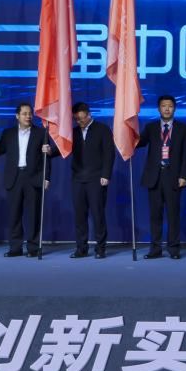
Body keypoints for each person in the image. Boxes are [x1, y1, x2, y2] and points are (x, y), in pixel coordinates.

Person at [0, 103, 52, 258]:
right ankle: (15, 248)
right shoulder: (9, 133)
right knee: (14, 215)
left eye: (30, 113)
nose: (28, 116)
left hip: (33, 177)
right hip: (14, 177)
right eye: (25, 113)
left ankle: (33, 248)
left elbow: (46, 158)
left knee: (33, 215)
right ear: (17, 116)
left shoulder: (41, 133)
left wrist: (46, 177)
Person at [136, 95, 186, 259]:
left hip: (173, 177)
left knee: (173, 215)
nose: (167, 109)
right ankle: (155, 249)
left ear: (174, 108)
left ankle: (173, 249)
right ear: (159, 109)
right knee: (155, 215)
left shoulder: (183, 129)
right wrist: (127, 132)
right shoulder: (151, 127)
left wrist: (184, 176)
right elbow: (139, 143)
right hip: (154, 177)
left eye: (170, 106)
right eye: (163, 106)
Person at [67, 102, 115, 259]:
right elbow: (64, 148)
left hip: (96, 179)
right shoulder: (73, 132)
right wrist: (49, 151)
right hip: (78, 179)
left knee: (97, 214)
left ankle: (100, 249)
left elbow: (109, 153)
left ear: (89, 114)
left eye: (81, 118)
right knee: (79, 216)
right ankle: (81, 249)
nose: (79, 121)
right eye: (76, 119)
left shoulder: (102, 129)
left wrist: (106, 175)